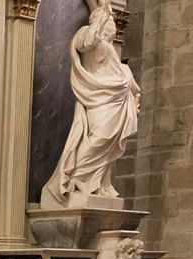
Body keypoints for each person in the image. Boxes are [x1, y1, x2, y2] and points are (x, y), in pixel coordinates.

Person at [41, 0, 140, 209]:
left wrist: (133, 99)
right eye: (110, 23)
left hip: (114, 102)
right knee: (99, 137)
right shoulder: (86, 35)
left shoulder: (112, 52)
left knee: (109, 145)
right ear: (99, 22)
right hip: (98, 99)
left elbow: (131, 85)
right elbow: (85, 43)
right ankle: (77, 177)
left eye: (114, 24)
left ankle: (95, 185)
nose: (114, 28)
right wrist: (102, 15)